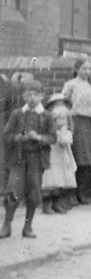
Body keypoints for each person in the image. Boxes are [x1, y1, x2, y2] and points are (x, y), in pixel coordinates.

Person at [1, 78, 54, 239]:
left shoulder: (46, 115)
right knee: (12, 191)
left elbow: (53, 137)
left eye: (35, 95)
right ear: (23, 96)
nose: (31, 98)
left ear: (42, 96)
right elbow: (6, 135)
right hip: (19, 158)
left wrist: (39, 137)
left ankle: (27, 226)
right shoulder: (17, 114)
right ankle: (7, 225)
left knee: (34, 194)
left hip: (37, 160)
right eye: (28, 94)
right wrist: (19, 137)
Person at [61, 59, 91, 203]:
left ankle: (81, 192)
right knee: (77, 156)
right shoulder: (71, 84)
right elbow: (63, 102)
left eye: (89, 69)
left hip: (90, 123)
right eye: (84, 68)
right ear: (77, 69)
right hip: (76, 122)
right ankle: (71, 194)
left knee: (87, 160)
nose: (87, 72)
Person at [40, 94, 76, 215]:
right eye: (58, 119)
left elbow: (66, 141)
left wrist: (64, 132)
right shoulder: (50, 129)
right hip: (52, 157)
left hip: (62, 157)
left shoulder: (66, 132)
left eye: (64, 119)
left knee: (61, 179)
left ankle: (56, 203)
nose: (62, 121)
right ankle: (46, 205)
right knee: (50, 179)